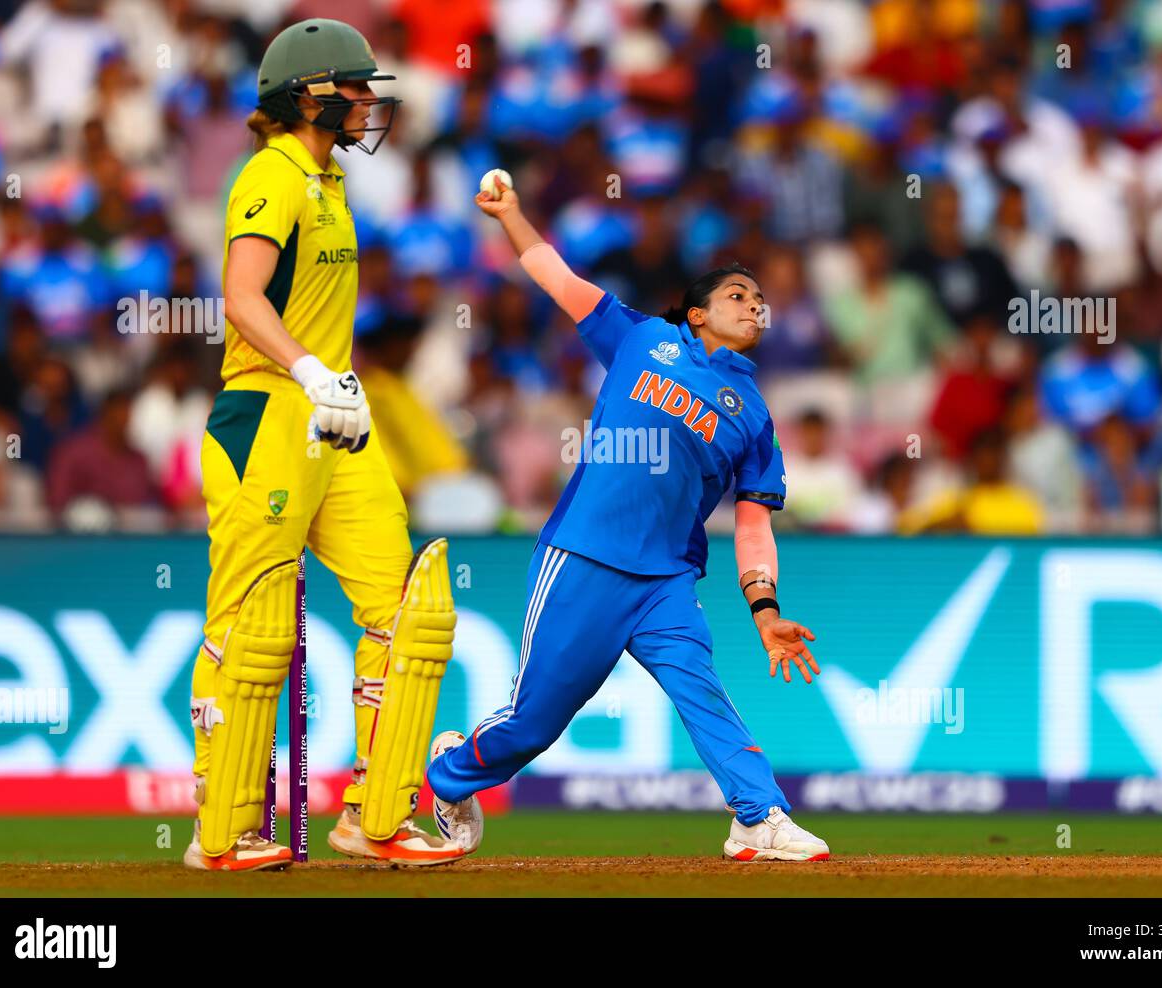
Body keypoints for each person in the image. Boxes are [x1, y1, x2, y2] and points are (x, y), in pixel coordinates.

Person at [426, 175, 830, 863]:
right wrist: (513, 215)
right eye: (738, 294)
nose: (754, 304)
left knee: (701, 689)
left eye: (761, 299)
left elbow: (755, 522)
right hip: (584, 556)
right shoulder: (643, 338)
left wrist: (765, 609)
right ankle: (449, 774)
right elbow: (555, 277)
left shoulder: (757, 416)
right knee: (534, 724)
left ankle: (758, 816)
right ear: (697, 314)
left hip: (666, 580)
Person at [184, 19, 462, 872]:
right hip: (268, 414)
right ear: (309, 94)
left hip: (335, 416)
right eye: (355, 87)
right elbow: (240, 295)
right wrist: (311, 373)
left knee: (409, 612)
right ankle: (221, 830)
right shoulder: (270, 176)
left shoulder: (330, 177)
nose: (370, 103)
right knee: (250, 626)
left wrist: (332, 384)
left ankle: (375, 815)